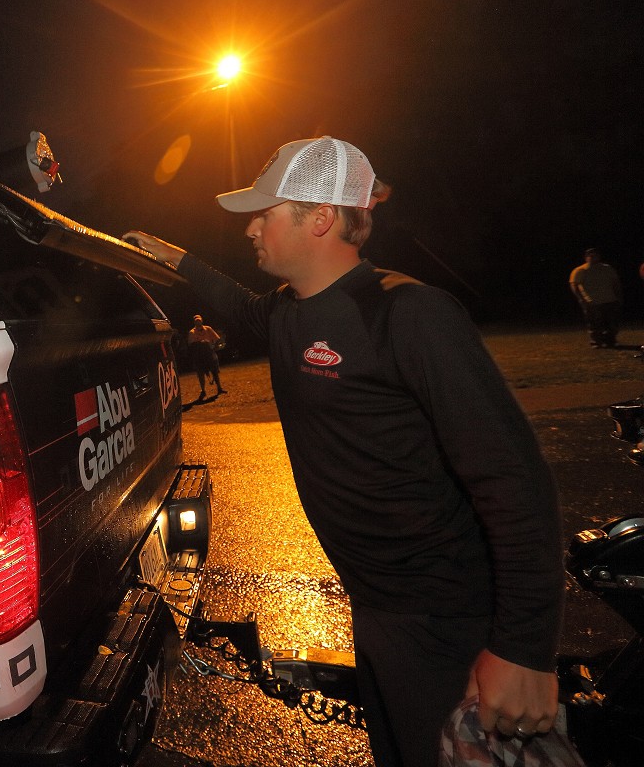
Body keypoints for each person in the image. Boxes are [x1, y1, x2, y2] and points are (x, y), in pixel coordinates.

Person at [124, 136, 563, 767]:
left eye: (266, 213)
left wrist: (523, 649)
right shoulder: (285, 313)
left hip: (445, 621)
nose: (251, 229)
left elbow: (514, 481)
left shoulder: (409, 313)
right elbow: (236, 305)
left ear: (321, 218)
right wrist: (176, 258)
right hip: (374, 606)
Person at [568, 248, 623, 348]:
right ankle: (596, 342)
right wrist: (581, 299)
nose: (593, 258)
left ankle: (610, 341)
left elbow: (616, 283)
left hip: (609, 300)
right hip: (592, 302)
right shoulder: (580, 270)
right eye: (590, 256)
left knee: (611, 323)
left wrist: (618, 296)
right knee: (594, 324)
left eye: (595, 255)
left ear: (599, 256)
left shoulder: (607, 268)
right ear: (586, 257)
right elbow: (574, 285)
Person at [187, 314, 225, 399]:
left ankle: (219, 388)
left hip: (209, 353)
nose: (198, 322)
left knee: (214, 370)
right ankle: (203, 390)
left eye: (199, 320)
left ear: (202, 321)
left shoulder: (208, 329)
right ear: (194, 322)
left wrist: (214, 347)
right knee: (201, 373)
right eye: (196, 321)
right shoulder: (192, 332)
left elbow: (217, 339)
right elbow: (191, 344)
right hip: (199, 355)